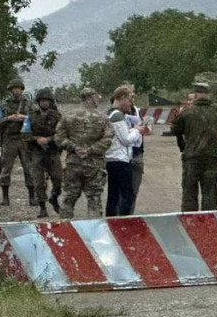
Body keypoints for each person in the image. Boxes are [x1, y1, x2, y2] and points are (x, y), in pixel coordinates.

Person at [55, 88, 113, 219]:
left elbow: (59, 138)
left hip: (73, 163)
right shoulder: (103, 118)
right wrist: (91, 150)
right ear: (90, 97)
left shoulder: (68, 117)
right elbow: (108, 139)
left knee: (69, 198)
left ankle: (65, 229)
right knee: (94, 199)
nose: (99, 98)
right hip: (94, 165)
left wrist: (75, 148)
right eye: (97, 95)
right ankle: (95, 232)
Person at [171, 83, 217, 211]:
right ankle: (209, 224)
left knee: (189, 193)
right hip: (212, 157)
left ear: (195, 95)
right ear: (209, 95)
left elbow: (175, 129)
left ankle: (190, 223)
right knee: (210, 194)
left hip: (192, 157)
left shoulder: (187, 112)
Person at [105, 86, 147, 217]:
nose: (131, 104)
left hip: (113, 160)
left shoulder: (110, 114)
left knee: (113, 195)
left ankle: (112, 222)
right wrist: (137, 130)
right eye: (129, 100)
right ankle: (123, 223)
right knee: (127, 195)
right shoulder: (117, 116)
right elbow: (126, 140)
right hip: (120, 161)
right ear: (122, 98)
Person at [21, 88, 63, 218]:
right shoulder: (30, 116)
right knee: (38, 182)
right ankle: (42, 207)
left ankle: (54, 198)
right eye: (42, 101)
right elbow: (24, 134)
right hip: (37, 152)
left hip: (52, 151)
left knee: (58, 179)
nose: (45, 103)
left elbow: (62, 133)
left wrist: (49, 139)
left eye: (47, 101)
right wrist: (37, 139)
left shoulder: (57, 116)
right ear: (38, 102)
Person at [0, 78, 34, 206]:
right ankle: (5, 198)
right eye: (14, 89)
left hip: (25, 140)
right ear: (11, 90)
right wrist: (9, 118)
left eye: (18, 88)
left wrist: (24, 118)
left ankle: (32, 197)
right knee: (6, 169)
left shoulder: (29, 104)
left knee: (29, 168)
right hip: (9, 140)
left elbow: (37, 119)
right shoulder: (3, 105)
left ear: (21, 90)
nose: (16, 91)